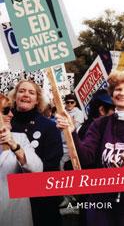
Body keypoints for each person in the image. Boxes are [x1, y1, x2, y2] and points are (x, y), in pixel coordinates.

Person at [56, 69, 124, 226]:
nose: (122, 93)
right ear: (112, 94)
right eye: (118, 89)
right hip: (102, 209)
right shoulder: (99, 125)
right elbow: (86, 158)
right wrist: (72, 132)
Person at [10, 80, 63, 226]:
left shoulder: (49, 127)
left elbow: (51, 168)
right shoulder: (4, 124)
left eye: (31, 92)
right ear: (15, 97)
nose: (26, 95)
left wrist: (16, 187)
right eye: (22, 91)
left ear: (37, 101)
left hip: (40, 201)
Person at [0, 93, 43, 226]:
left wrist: (15, 146)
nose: (11, 115)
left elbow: (37, 170)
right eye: (6, 110)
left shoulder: (19, 139)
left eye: (11, 110)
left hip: (14, 216)